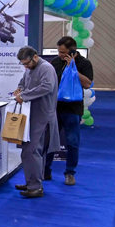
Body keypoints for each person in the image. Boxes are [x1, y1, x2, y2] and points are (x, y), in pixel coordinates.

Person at [45, 36, 93, 186]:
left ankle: (70, 173)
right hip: (55, 108)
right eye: (59, 51)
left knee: (72, 142)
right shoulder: (56, 62)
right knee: (50, 141)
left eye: (63, 52)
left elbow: (87, 84)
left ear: (73, 50)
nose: (60, 54)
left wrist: (73, 68)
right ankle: (45, 169)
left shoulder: (84, 63)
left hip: (73, 110)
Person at [13, 46, 60, 198]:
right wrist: (19, 89)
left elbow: (47, 86)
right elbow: (23, 82)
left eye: (26, 63)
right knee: (31, 151)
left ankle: (35, 187)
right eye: (23, 64)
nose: (25, 67)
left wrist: (24, 95)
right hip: (31, 115)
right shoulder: (29, 68)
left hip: (42, 116)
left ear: (34, 57)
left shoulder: (46, 68)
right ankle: (32, 182)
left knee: (31, 151)